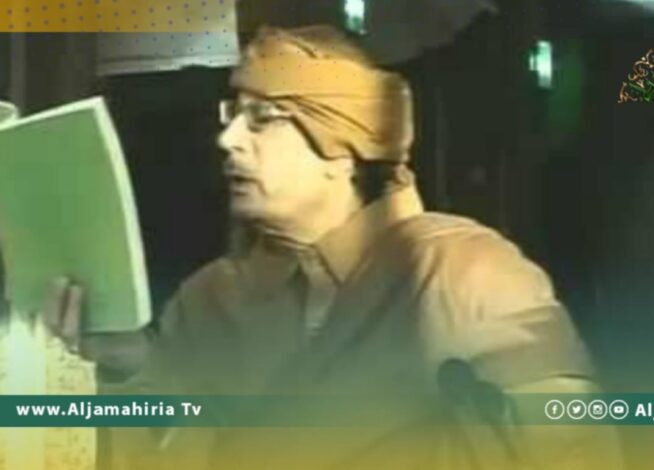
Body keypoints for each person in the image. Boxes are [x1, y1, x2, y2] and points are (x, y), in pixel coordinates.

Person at [46, 25, 622, 470]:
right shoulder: (211, 300)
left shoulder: (462, 273)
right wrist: (121, 370)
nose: (228, 138)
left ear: (342, 151)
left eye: (262, 119)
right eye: (231, 114)